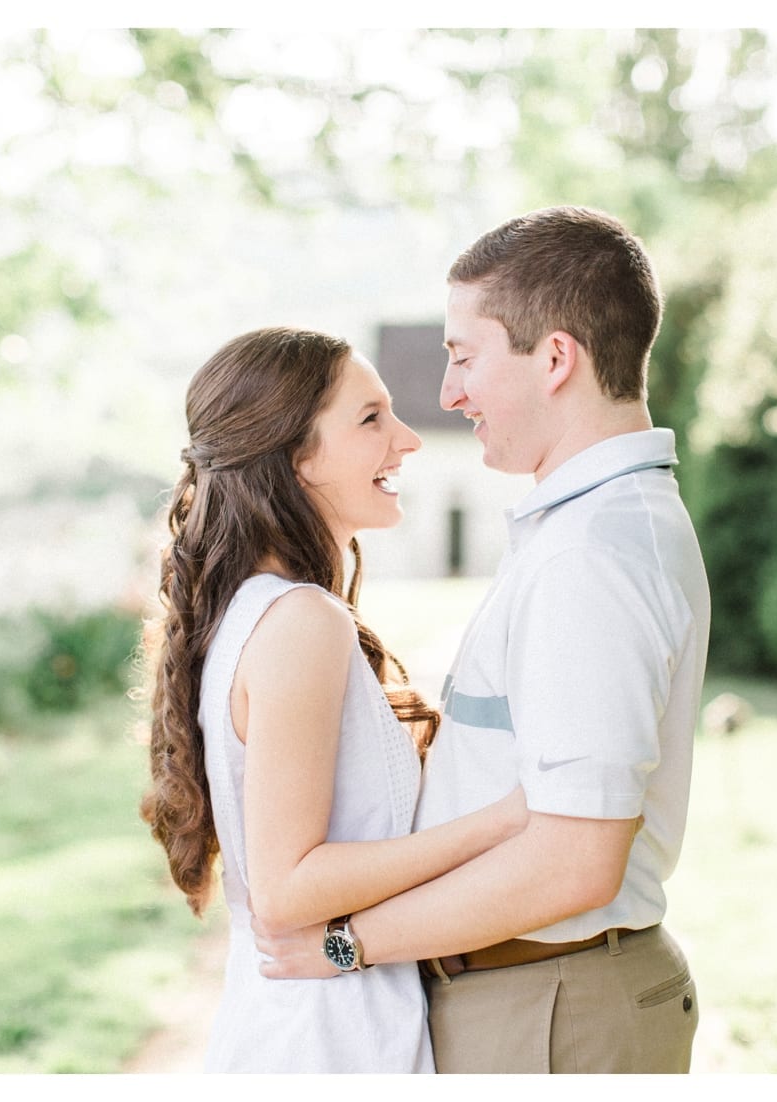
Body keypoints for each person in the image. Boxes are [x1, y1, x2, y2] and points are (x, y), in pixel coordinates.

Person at [254, 206, 711, 1074]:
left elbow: (575, 864)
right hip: (534, 1000)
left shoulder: (593, 554)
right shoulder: (580, 528)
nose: (450, 392)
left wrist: (347, 944)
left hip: (550, 1011)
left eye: (464, 356)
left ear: (555, 358)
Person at [140, 326, 527, 1073]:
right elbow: (287, 891)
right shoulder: (299, 621)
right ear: (296, 457)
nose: (408, 439)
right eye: (372, 419)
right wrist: (504, 822)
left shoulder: (268, 611)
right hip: (322, 1045)